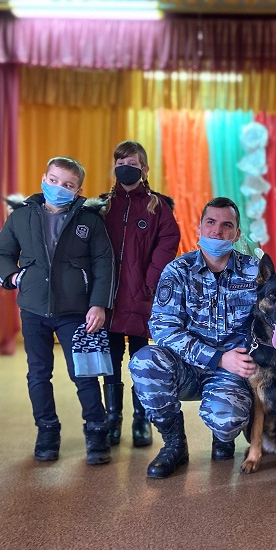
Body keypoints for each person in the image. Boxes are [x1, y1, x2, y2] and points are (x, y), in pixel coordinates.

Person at [129, 197, 276, 479]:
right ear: (199, 228)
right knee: (145, 362)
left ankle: (223, 438)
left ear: (237, 233)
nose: (217, 231)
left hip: (233, 372)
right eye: (211, 222)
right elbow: (162, 328)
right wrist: (217, 358)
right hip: (187, 366)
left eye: (227, 225)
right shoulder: (178, 271)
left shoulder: (254, 271)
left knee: (229, 419)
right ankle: (174, 444)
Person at [0, 156, 115, 465]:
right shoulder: (21, 216)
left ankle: (96, 430)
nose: (60, 188)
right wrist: (14, 277)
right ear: (44, 179)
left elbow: (104, 263)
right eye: (55, 181)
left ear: (78, 190)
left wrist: (98, 303)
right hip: (33, 309)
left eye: (68, 185)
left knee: (84, 373)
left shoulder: (89, 220)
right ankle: (47, 430)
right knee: (38, 373)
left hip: (76, 311)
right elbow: (0, 253)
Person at [100, 141, 181, 448]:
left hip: (141, 295)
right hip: (108, 296)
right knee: (110, 358)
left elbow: (168, 242)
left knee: (139, 358)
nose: (126, 168)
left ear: (144, 169)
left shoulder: (158, 207)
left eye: (132, 164)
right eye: (121, 163)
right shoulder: (102, 205)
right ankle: (112, 419)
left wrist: (150, 281)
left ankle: (140, 419)